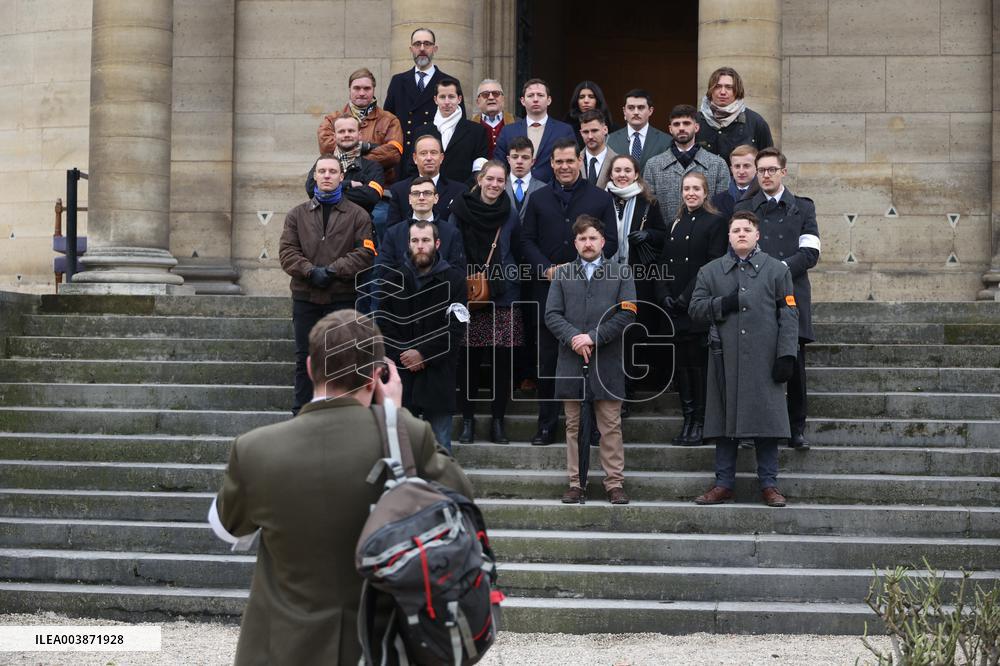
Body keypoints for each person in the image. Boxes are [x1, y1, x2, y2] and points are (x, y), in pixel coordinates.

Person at [209, 310, 473, 666]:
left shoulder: (254, 449)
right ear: (377, 375)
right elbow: (463, 500)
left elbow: (227, 530)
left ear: (309, 367)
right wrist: (396, 416)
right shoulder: (406, 434)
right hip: (380, 649)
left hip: (281, 650)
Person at [688, 211, 798, 507]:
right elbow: (695, 309)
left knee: (767, 423)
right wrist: (724, 303)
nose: (741, 234)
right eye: (735, 230)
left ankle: (769, 485)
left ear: (757, 235)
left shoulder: (776, 270)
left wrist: (787, 354)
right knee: (725, 423)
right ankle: (723, 484)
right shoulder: (710, 272)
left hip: (765, 358)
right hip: (725, 359)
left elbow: (789, 314)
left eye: (747, 230)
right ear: (728, 235)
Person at [521, 137, 618, 445]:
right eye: (558, 162)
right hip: (547, 288)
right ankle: (547, 425)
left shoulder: (600, 198)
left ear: (579, 161)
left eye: (569, 161)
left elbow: (611, 242)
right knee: (548, 360)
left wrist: (580, 266)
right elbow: (526, 241)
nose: (564, 166)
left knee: (587, 359)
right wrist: (546, 268)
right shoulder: (538, 199)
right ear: (551, 164)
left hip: (590, 293)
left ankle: (589, 427)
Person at [545, 214, 636, 505]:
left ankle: (614, 484)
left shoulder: (621, 273)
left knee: (610, 424)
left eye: (592, 238)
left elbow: (628, 312)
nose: (587, 243)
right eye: (582, 238)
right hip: (571, 360)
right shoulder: (562, 274)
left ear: (603, 241)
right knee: (574, 425)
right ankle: (576, 483)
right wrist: (574, 337)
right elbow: (552, 315)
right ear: (575, 242)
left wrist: (594, 336)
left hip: (607, 360)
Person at [735, 147, 820, 450]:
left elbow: (811, 252)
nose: (766, 175)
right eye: (762, 170)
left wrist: (777, 270)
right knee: (753, 366)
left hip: (791, 296)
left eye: (772, 170)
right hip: (755, 296)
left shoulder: (803, 208)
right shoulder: (744, 207)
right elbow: (737, 247)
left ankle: (796, 429)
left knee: (793, 364)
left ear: (784, 172)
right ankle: (750, 429)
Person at [280, 155, 375, 415]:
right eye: (321, 171)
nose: (327, 175)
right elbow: (287, 252)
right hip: (305, 296)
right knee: (305, 359)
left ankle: (340, 411)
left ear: (341, 177)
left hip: (341, 297)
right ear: (315, 177)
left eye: (333, 171)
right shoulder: (296, 215)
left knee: (342, 357)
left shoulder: (358, 215)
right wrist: (310, 272)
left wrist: (333, 271)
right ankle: (301, 412)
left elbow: (365, 253)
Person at [377, 219, 468, 450]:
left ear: (436, 243)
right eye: (415, 240)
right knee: (401, 449)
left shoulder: (455, 280)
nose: (420, 245)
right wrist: (405, 355)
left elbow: (455, 330)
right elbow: (384, 326)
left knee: (441, 450)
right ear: (408, 244)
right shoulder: (392, 280)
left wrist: (423, 355)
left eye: (425, 240)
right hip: (402, 378)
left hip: (438, 377)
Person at [450, 161, 523, 444]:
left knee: (502, 365)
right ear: (480, 179)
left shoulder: (510, 212)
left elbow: (516, 250)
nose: (494, 185)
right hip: (468, 296)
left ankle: (498, 422)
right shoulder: (460, 209)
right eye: (489, 179)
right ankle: (467, 421)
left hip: (503, 296)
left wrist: (506, 278)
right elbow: (453, 249)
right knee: (468, 363)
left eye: (500, 180)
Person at [656, 171, 728, 445]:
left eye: (696, 188)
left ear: (706, 192)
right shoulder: (676, 223)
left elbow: (710, 265)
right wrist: (663, 295)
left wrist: (686, 297)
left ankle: (700, 423)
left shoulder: (716, 222)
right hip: (673, 309)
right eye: (686, 188)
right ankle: (687, 421)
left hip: (696, 307)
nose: (691, 193)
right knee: (682, 368)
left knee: (698, 368)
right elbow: (663, 263)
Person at [604, 154, 667, 411]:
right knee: (608, 333)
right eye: (617, 170)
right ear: (610, 174)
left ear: (636, 173)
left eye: (627, 170)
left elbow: (663, 235)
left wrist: (649, 234)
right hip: (605, 277)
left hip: (636, 277)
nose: (622, 174)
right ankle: (608, 389)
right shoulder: (601, 200)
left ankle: (628, 391)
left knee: (631, 334)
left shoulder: (649, 203)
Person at [377, 176, 466, 293]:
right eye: (416, 193)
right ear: (409, 199)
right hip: (404, 300)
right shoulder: (394, 233)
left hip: (440, 300)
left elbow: (458, 273)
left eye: (427, 193)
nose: (421, 197)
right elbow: (384, 272)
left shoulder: (452, 232)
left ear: (436, 198)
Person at [384, 28, 464, 155]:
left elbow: (460, 124)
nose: (422, 48)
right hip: (405, 155)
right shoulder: (398, 81)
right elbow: (387, 121)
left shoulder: (449, 82)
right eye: (417, 44)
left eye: (427, 44)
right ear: (411, 49)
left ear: (435, 49)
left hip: (435, 156)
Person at [643, 104, 730, 217]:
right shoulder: (653, 165)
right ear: (670, 129)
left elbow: (722, 211)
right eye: (676, 124)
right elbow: (648, 208)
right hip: (665, 233)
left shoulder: (718, 165)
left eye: (686, 123)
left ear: (696, 127)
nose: (681, 128)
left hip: (706, 233)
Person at [405, 78, 489, 184]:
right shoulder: (422, 131)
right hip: (427, 194)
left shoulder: (477, 131)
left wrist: (464, 192)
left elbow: (480, 169)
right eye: (442, 97)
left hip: (464, 194)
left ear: (459, 99)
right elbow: (412, 166)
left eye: (451, 97)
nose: (447, 102)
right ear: (435, 100)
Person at [493, 78, 575, 183]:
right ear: (523, 101)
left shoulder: (564, 130)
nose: (535, 99)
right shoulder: (508, 131)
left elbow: (571, 164)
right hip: (516, 193)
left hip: (553, 192)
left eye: (540, 95)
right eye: (530, 95)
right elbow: (499, 164)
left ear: (549, 100)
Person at [305, 116, 385, 215]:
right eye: (341, 131)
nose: (346, 135)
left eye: (351, 131)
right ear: (334, 136)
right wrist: (348, 184)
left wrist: (328, 191)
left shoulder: (373, 166)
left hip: (359, 225)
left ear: (359, 135)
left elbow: (372, 196)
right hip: (324, 224)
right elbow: (311, 189)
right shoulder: (323, 162)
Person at [696, 67, 774, 164]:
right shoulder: (696, 121)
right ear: (711, 90)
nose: (723, 92)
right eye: (717, 86)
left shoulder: (755, 122)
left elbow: (769, 161)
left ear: (737, 90)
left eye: (729, 87)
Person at [386, 134, 467, 226]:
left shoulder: (459, 191)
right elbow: (393, 231)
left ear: (441, 158)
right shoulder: (399, 190)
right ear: (415, 158)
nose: (429, 158)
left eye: (433, 153)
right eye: (423, 153)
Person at [607, 89, 672, 175]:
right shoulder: (610, 140)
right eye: (631, 108)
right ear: (624, 111)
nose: (636, 112)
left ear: (650, 111)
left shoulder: (666, 141)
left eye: (641, 108)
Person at [711, 144, 758, 220]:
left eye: (746, 166)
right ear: (731, 169)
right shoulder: (716, 201)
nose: (741, 171)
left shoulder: (765, 197)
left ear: (757, 168)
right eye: (737, 166)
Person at [564, 80, 616, 148]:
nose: (586, 101)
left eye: (591, 97)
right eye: (581, 97)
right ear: (576, 101)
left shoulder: (612, 127)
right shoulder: (567, 128)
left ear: (598, 100)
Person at [473, 78, 516, 159]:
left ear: (503, 99)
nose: (491, 97)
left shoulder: (517, 123)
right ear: (478, 102)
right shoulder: (469, 127)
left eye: (496, 93)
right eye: (485, 94)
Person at [579, 109, 616, 188]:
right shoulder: (574, 161)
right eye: (585, 132)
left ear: (605, 130)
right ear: (581, 133)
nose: (590, 136)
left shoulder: (617, 161)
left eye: (594, 131)